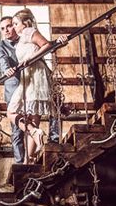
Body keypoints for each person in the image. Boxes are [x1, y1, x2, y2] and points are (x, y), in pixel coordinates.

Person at [5, 8, 68, 163]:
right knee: (32, 120)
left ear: (25, 22)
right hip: (29, 75)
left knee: (11, 112)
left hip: (35, 74)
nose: (13, 27)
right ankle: (29, 158)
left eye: (15, 23)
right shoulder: (23, 36)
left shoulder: (28, 31)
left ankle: (32, 138)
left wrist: (30, 59)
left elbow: (45, 45)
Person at [0, 16, 25, 163]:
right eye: (2, 28)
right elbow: (3, 61)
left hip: (31, 84)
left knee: (33, 120)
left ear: (15, 26)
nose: (6, 30)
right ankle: (20, 163)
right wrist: (7, 70)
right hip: (13, 87)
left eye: (9, 26)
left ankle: (30, 160)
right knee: (17, 128)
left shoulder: (25, 39)